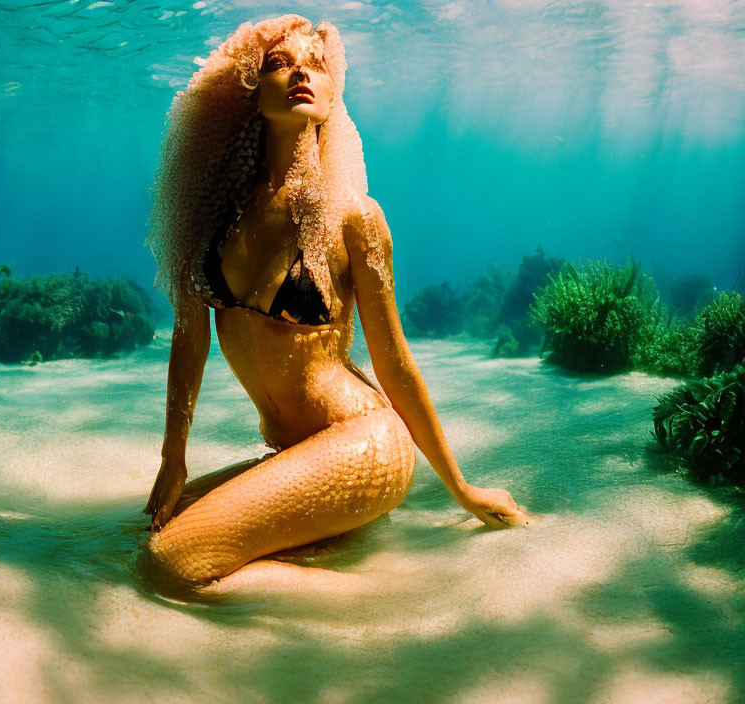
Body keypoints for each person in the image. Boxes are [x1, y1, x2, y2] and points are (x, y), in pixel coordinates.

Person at [141, 15, 528, 600]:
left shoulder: (355, 219)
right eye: (280, 62)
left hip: (366, 441)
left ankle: (371, 598)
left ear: (331, 96)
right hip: (297, 451)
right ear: (246, 89)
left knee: (169, 564)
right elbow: (189, 342)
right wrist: (175, 461)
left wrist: (463, 490)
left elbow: (394, 362)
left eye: (317, 65)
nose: (301, 71)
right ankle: (337, 555)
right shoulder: (210, 220)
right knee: (140, 534)